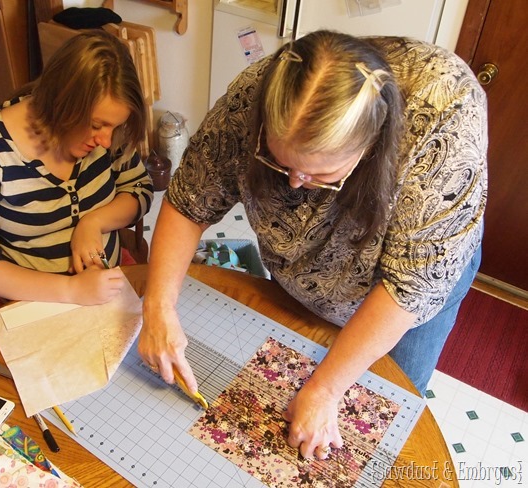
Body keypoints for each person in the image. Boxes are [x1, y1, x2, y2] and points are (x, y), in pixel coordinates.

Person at [138, 31, 487, 461]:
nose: (294, 183)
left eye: (320, 174)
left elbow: (408, 289)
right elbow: (190, 200)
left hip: (402, 292)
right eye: (280, 162)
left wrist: (326, 388)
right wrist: (158, 308)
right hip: (305, 269)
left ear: (370, 144)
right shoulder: (256, 96)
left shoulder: (442, 125)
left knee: (374, 419)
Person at [0, 31, 153, 316]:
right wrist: (72, 290)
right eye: (95, 125)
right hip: (32, 305)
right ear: (60, 104)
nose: (105, 141)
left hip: (109, 284)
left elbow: (139, 188)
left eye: (114, 128)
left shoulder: (109, 133)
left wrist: (93, 223)